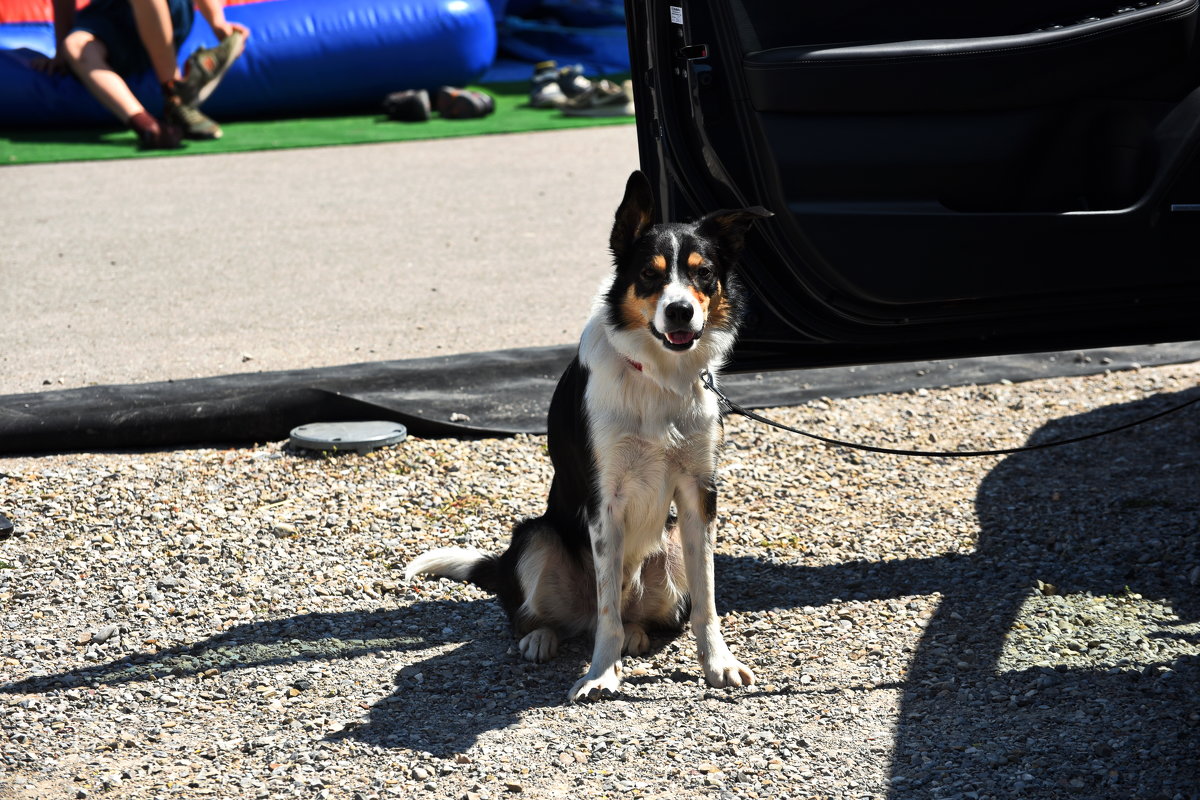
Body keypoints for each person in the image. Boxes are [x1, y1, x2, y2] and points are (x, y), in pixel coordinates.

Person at [33, 0, 249, 149]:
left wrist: (217, 22)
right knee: (75, 46)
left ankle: (173, 92)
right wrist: (61, 49)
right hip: (110, 16)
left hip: (166, 10)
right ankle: (148, 127)